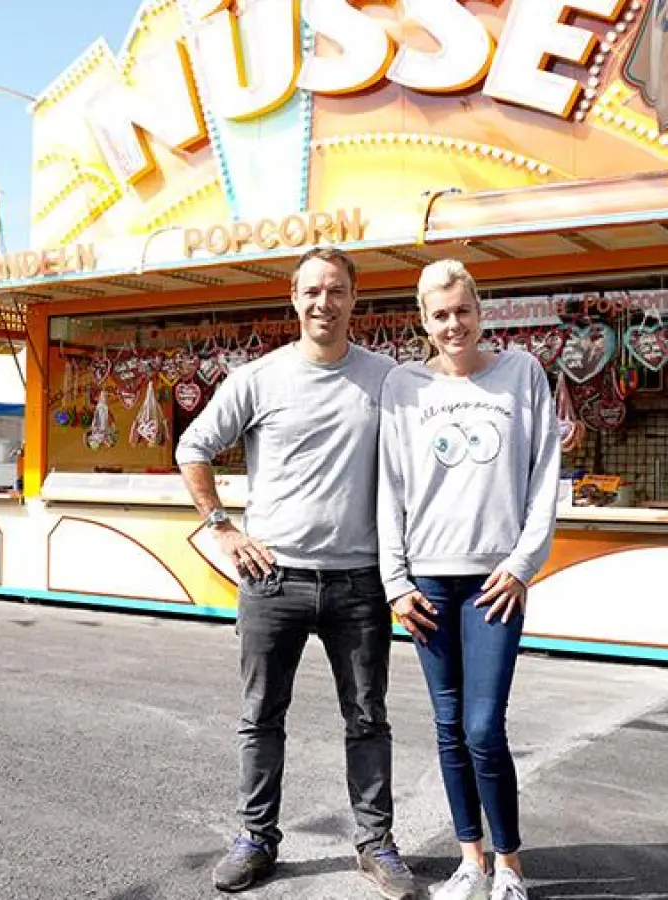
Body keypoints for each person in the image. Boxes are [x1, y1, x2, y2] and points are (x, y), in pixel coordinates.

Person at [176, 247, 418, 898]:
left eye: (336, 291)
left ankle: (376, 844)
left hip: (358, 582)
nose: (324, 303)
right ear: (294, 297)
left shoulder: (387, 379)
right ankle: (256, 839)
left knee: (367, 718)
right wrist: (222, 525)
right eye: (312, 291)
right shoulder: (258, 378)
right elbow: (191, 446)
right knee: (261, 717)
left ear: (353, 299)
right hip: (272, 582)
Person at [377, 260, 561, 900]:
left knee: (484, 726)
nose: (452, 324)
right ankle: (470, 860)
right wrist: (395, 582)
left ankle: (510, 865)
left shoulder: (521, 374)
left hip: (493, 582)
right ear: (423, 320)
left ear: (480, 310)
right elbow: (389, 488)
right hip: (428, 581)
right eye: (439, 314)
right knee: (449, 725)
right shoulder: (402, 387)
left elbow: (544, 476)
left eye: (462, 311)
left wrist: (521, 563)